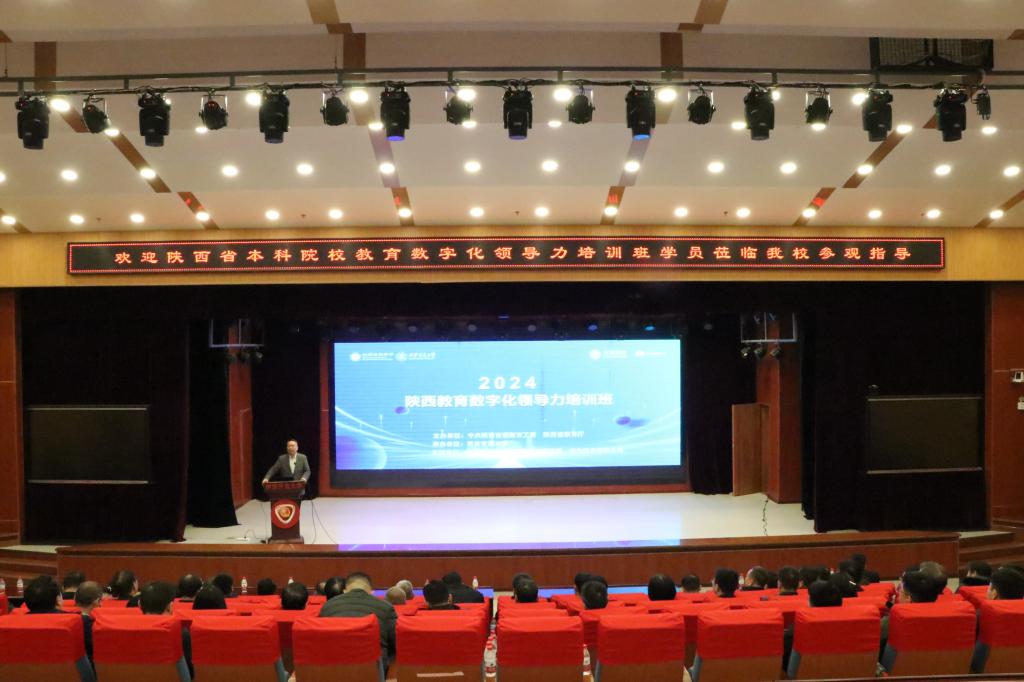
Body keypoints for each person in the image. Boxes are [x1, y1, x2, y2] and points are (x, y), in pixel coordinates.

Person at [319, 572, 397, 657]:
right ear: (371, 592)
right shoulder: (386, 608)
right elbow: (395, 643)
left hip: (334, 661)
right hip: (374, 663)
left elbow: (322, 641)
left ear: (344, 591)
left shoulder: (328, 607)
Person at [141, 581, 193, 679]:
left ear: (139, 605)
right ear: (170, 607)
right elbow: (188, 676)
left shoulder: (125, 632)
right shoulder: (181, 634)